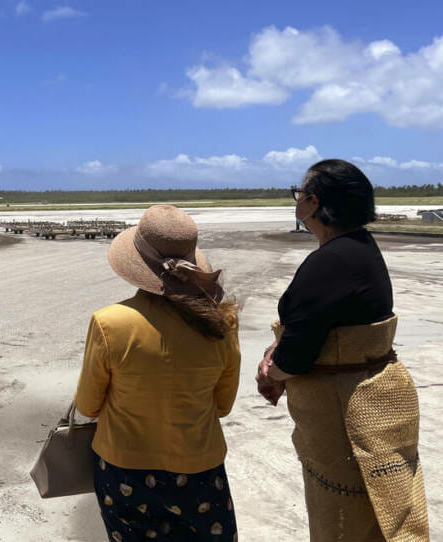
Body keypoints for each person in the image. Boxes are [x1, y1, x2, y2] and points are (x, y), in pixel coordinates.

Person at [256, 159, 428, 541]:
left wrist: (271, 371)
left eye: (298, 194)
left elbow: (296, 355)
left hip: (344, 411)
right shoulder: (360, 247)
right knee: (383, 509)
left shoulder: (329, 262)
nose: (297, 201)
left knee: (344, 516)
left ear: (313, 203)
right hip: (374, 399)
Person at [76, 205, 240, 541]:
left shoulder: (110, 322)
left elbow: (88, 405)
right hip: (200, 468)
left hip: (124, 471)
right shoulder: (223, 323)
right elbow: (222, 406)